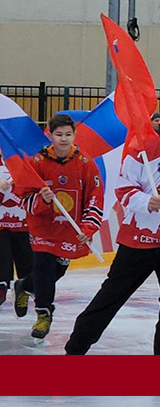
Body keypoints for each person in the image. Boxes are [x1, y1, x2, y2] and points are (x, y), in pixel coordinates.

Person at [65, 94, 160, 355]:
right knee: (112, 296)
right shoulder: (145, 148)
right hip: (138, 240)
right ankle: (75, 348)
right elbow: (124, 187)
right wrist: (145, 202)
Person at [13, 114, 104, 339]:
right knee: (44, 266)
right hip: (43, 228)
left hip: (69, 230)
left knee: (56, 271)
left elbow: (95, 197)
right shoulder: (37, 163)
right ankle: (44, 314)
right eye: (59, 134)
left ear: (74, 135)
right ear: (50, 135)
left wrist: (88, 227)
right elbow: (23, 196)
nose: (63, 139)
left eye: (68, 134)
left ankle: (25, 285)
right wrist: (42, 200)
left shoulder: (85, 163)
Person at [0, 156, 33, 307]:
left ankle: (24, 289)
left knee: (27, 264)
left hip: (23, 223)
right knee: (2, 261)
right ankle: (1, 287)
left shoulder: (24, 159)